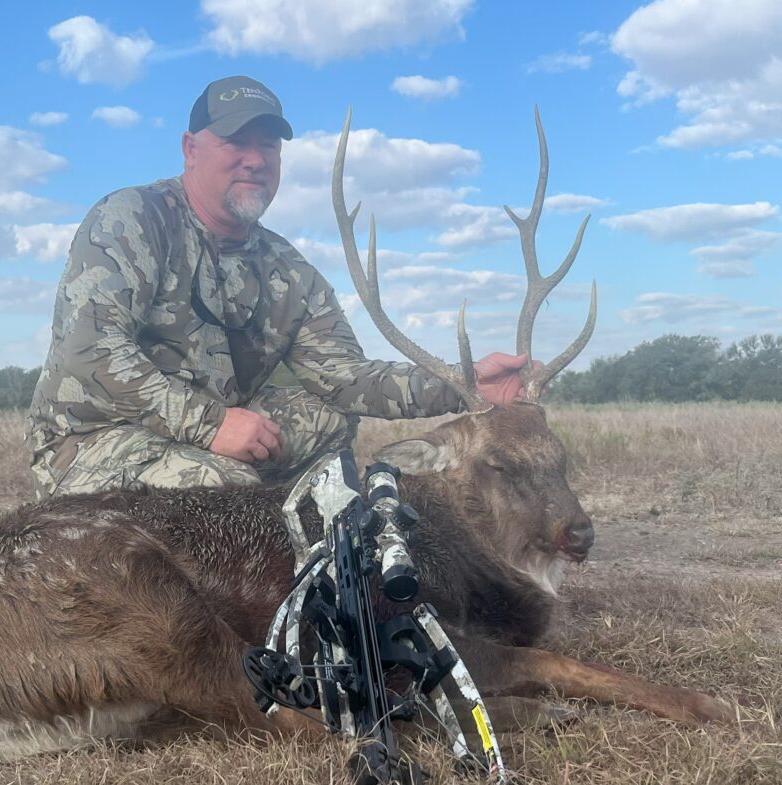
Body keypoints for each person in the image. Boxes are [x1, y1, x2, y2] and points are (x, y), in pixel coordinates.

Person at [27, 75, 533, 499]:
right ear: (190, 149)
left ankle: (292, 529)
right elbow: (90, 350)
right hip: (92, 441)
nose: (254, 159)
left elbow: (349, 379)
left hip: (203, 436)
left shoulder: (288, 269)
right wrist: (211, 424)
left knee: (329, 419)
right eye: (235, 142)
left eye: (267, 145)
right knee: (227, 492)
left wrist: (462, 383)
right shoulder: (131, 219)